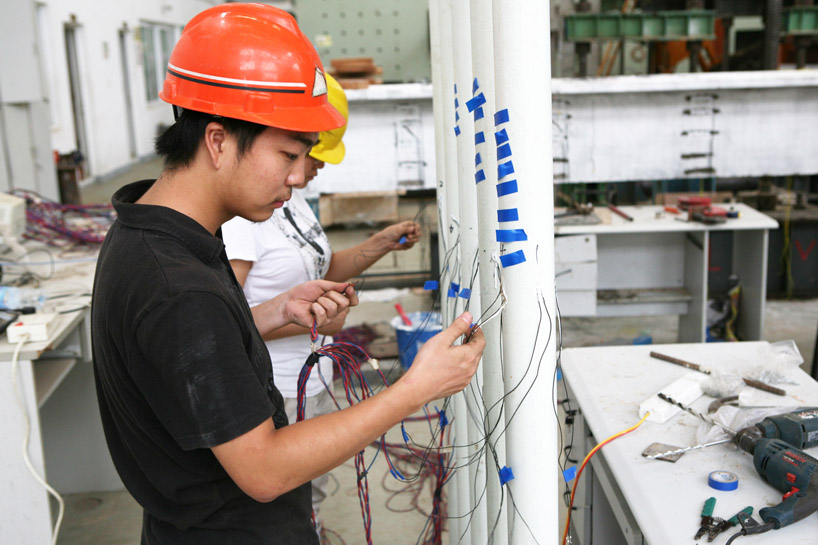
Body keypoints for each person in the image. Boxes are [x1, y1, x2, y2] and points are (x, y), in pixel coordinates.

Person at [90, 4, 484, 545]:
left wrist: (276, 310)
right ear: (218, 140)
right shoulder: (177, 287)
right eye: (286, 154)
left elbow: (182, 360)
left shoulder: (149, 232)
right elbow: (264, 471)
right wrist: (415, 388)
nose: (297, 177)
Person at [221, 74, 420, 534]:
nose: (316, 167)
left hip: (314, 380)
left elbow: (324, 267)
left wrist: (381, 244)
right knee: (285, 510)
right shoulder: (243, 220)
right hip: (276, 390)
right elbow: (225, 326)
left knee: (311, 501)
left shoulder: (293, 201)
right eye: (309, 154)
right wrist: (318, 324)